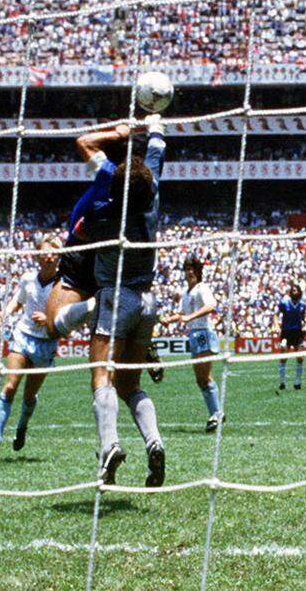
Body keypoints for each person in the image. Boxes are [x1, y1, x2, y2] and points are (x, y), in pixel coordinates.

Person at [83, 114, 167, 487]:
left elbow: (85, 143)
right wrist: (154, 125)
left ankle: (109, 446)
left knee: (102, 376)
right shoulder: (153, 198)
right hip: (148, 300)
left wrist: (118, 132)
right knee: (131, 384)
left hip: (114, 298)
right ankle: (154, 442)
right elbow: (157, 152)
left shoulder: (104, 204)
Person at [0, 237, 61, 454]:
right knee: (10, 385)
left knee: (29, 395)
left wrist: (51, 318)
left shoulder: (64, 284)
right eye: (45, 252)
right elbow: (17, 301)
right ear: (37, 255)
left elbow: (71, 314)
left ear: (60, 256)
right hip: (23, 335)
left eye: (54, 252)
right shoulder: (28, 279)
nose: (49, 256)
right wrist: (5, 312)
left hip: (46, 342)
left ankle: (21, 428)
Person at [159, 254, 224, 432]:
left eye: (192, 269)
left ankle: (216, 413)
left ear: (198, 271)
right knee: (200, 378)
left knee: (205, 375)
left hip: (203, 332)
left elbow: (211, 305)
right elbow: (181, 315)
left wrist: (190, 317)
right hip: (194, 335)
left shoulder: (202, 288)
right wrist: (169, 319)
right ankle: (215, 413)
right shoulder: (186, 293)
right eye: (187, 269)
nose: (189, 272)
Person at [276, 283, 306, 392]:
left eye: (296, 290)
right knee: (283, 356)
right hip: (286, 333)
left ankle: (297, 382)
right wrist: (276, 325)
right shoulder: (284, 303)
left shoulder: (302, 304)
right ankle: (282, 381)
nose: (294, 292)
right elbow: (276, 314)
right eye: (292, 290)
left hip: (298, 333)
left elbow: (304, 317)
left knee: (300, 357)